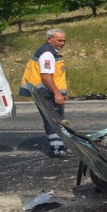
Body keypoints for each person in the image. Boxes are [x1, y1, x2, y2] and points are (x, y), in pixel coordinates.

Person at [19, 29, 72, 158]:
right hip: (46, 93)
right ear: (49, 39)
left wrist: (60, 92)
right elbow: (46, 76)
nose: (62, 43)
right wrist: (56, 93)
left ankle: (60, 146)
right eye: (59, 40)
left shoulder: (51, 52)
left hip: (47, 92)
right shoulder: (47, 54)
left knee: (56, 119)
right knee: (53, 120)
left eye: (64, 40)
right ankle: (56, 148)